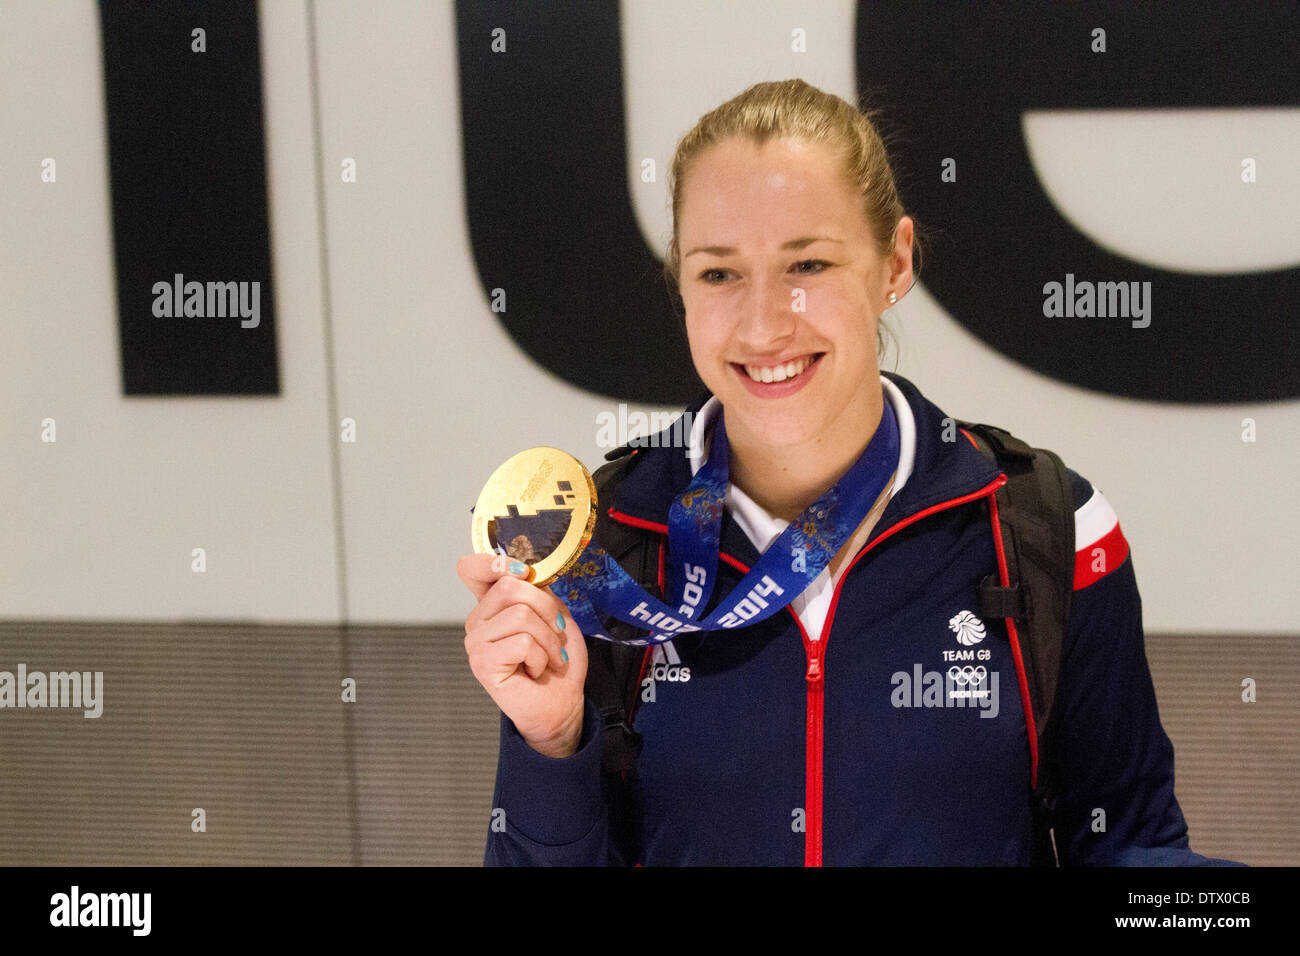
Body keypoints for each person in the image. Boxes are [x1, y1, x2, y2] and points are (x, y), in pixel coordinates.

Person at [457, 79, 1234, 866]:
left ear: (893, 262)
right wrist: (551, 744)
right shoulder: (605, 543)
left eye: (809, 262)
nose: (763, 323)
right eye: (719, 273)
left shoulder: (1044, 526)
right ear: (681, 282)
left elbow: (1134, 851)